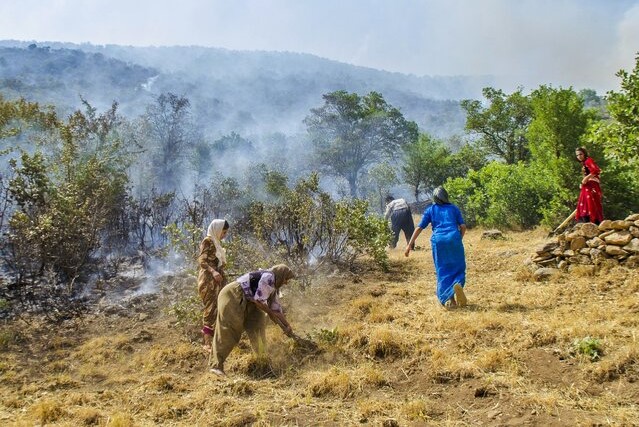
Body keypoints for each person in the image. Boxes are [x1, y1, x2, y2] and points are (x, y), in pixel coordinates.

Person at [209, 264, 296, 377]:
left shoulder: (273, 288)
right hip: (234, 295)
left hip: (251, 302)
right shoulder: (268, 277)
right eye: (286, 279)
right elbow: (260, 301)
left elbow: (276, 310)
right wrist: (270, 314)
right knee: (230, 329)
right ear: (281, 275)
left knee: (258, 326)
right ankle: (216, 366)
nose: (286, 282)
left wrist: (287, 326)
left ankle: (262, 363)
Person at [404, 186, 467, 308]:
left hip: (439, 241)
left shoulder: (431, 210)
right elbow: (463, 226)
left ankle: (451, 300)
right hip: (454, 238)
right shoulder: (454, 208)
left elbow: (419, 228)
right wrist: (458, 238)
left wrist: (409, 245)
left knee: (442, 269)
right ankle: (457, 283)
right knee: (458, 266)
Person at [198, 219, 229, 352]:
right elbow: (202, 261)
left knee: (220, 308)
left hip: (217, 281)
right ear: (217, 229)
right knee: (210, 309)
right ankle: (207, 343)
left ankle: (218, 340)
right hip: (208, 281)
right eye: (224, 232)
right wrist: (214, 271)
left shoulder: (216, 244)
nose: (224, 235)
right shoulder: (208, 241)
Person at [575, 147, 603, 225]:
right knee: (584, 205)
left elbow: (596, 170)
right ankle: (587, 225)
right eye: (577, 155)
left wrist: (586, 178)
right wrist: (583, 182)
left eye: (580, 154)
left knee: (591, 204)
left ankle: (596, 224)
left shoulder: (588, 160)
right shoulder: (584, 163)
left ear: (584, 154)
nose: (579, 156)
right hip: (587, 185)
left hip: (592, 186)